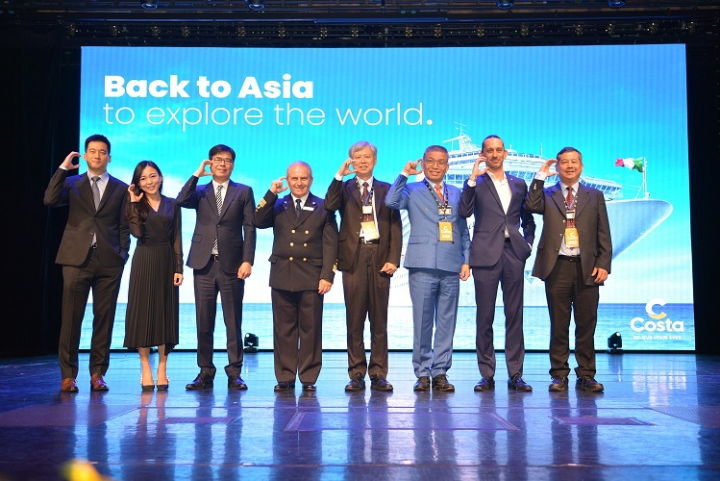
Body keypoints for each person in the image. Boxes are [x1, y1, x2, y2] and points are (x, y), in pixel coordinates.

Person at [43, 134, 130, 392]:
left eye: (102, 152)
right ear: (85, 154)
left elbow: (124, 226)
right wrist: (61, 169)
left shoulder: (121, 188)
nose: (97, 155)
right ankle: (68, 375)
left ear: (109, 157)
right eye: (92, 151)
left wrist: (122, 255)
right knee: (71, 318)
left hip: (109, 261)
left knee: (104, 318)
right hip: (75, 259)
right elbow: (49, 200)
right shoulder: (72, 183)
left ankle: (97, 374)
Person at [525, 147, 612, 393]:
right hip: (557, 266)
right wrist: (541, 175)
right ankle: (559, 375)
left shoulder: (594, 195)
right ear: (558, 167)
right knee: (559, 324)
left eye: (574, 162)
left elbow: (603, 231)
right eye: (564, 162)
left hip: (587, 267)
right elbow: (531, 205)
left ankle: (586, 375)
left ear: (581, 166)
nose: (570, 166)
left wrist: (603, 264)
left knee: (587, 324)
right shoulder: (548, 193)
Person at [385, 145, 471, 392]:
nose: (435, 166)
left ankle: (440, 372)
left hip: (452, 263)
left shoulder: (456, 193)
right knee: (422, 321)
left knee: (447, 322)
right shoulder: (411, 190)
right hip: (422, 263)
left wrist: (466, 260)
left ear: (447, 166)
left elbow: (462, 230)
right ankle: (422, 373)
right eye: (430, 161)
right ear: (423, 164)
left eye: (440, 162)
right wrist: (404, 174)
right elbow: (391, 202)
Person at [458, 135, 536, 392]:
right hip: (484, 254)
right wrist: (471, 177)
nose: (494, 154)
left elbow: (528, 220)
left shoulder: (519, 184)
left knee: (515, 316)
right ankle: (487, 373)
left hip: (513, 253)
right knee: (485, 316)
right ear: (483, 154)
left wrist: (528, 245)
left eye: (498, 150)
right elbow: (464, 212)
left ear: (505, 153)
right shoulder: (476, 183)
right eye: (489, 151)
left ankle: (515, 374)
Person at [176, 144, 256, 391]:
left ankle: (235, 373)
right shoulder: (199, 191)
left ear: (233, 164)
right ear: (210, 163)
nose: (223, 164)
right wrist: (196, 174)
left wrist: (248, 260)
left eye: (228, 160)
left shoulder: (243, 191)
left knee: (233, 322)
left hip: (232, 265)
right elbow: (180, 200)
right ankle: (205, 372)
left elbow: (249, 227)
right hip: (204, 264)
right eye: (218, 160)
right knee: (204, 321)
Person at [324, 141, 402, 392]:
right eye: (357, 157)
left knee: (379, 320)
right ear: (351, 161)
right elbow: (329, 205)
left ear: (375, 160)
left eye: (367, 157)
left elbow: (396, 225)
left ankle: (378, 372)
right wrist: (339, 174)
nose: (363, 161)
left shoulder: (386, 189)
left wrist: (394, 258)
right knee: (354, 319)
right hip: (353, 256)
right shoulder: (344, 188)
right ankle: (356, 372)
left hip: (380, 255)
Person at [254, 161, 338, 392]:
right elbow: (257, 220)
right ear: (288, 180)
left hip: (312, 276)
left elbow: (331, 244)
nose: (299, 183)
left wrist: (327, 275)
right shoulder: (278, 205)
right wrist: (271, 193)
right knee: (283, 329)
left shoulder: (324, 206)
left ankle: (309, 377)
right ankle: (285, 376)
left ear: (311, 180)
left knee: (311, 329)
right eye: (294, 179)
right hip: (282, 274)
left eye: (303, 178)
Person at [124, 161, 183, 391]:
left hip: (167, 260)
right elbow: (137, 233)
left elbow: (176, 237)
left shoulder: (173, 204)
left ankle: (162, 367)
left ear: (160, 177)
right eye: (143, 179)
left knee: (164, 313)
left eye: (152, 176)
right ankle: (145, 367)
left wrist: (179, 268)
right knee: (143, 312)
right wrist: (133, 204)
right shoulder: (135, 204)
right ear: (137, 183)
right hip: (145, 260)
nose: (149, 182)